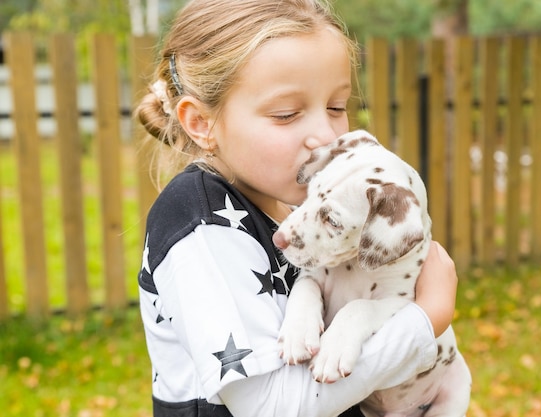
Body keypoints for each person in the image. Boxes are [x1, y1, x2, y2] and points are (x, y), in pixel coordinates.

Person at [135, 1, 458, 416]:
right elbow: (271, 406)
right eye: (286, 114)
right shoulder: (202, 225)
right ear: (201, 123)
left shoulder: (290, 207)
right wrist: (423, 321)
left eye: (337, 107)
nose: (324, 135)